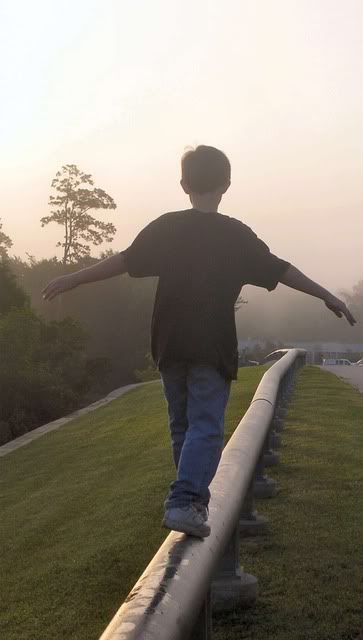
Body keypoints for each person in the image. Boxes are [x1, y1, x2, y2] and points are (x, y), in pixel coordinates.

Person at [42, 145, 356, 538]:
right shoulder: (237, 235)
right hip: (211, 346)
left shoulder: (166, 227)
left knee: (184, 427)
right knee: (205, 426)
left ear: (184, 184)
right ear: (226, 184)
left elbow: (123, 261)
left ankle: (189, 500)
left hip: (170, 345)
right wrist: (326, 294)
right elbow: (283, 270)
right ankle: (185, 500)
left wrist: (73, 278)